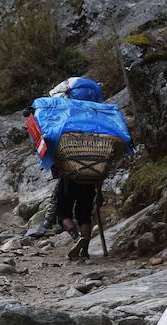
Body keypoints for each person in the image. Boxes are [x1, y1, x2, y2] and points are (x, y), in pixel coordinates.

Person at [27, 77, 104, 257]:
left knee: (63, 214)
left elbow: (51, 145)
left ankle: (75, 235)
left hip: (70, 176)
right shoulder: (95, 123)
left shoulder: (63, 123)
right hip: (91, 176)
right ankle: (84, 250)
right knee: (84, 215)